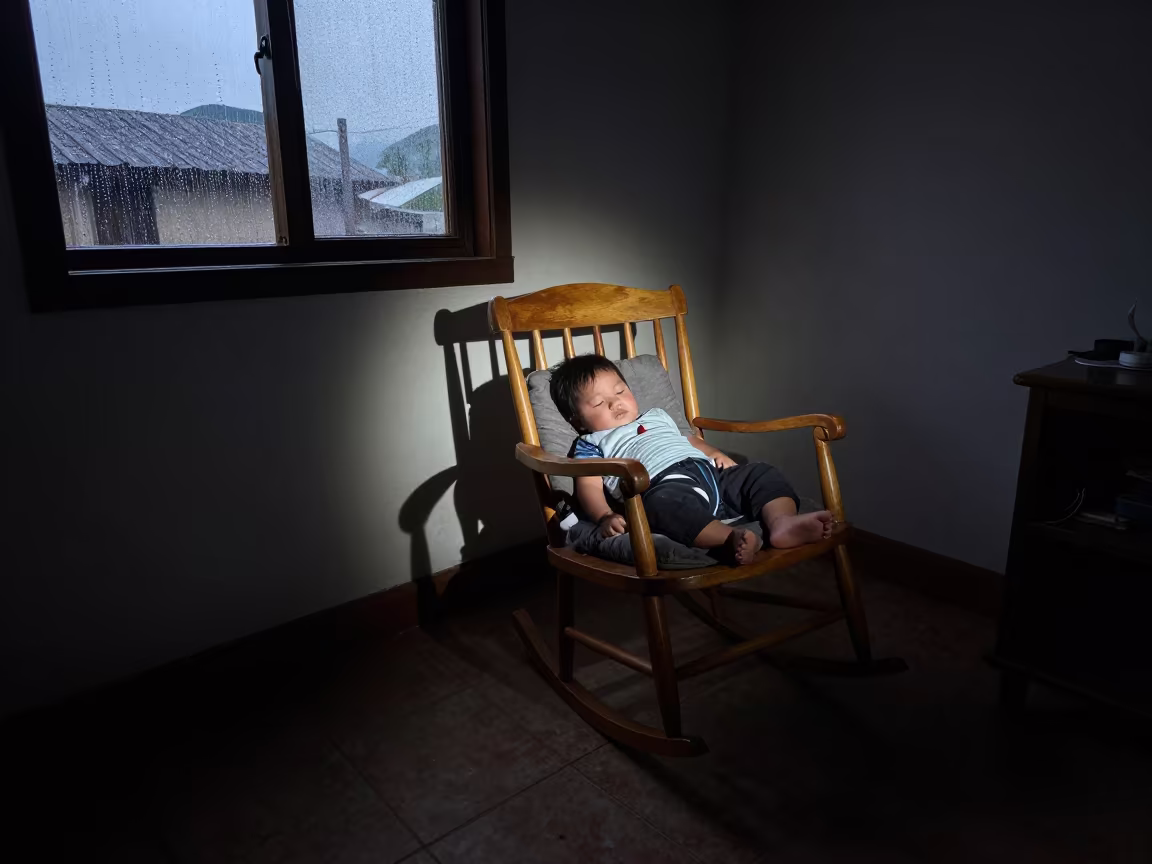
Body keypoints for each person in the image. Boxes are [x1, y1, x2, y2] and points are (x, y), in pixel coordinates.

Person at [550, 355, 834, 565]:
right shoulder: (590, 443)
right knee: (661, 508)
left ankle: (782, 523)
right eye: (598, 403)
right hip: (663, 487)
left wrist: (714, 453)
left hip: (710, 474)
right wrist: (604, 515)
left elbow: (687, 439)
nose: (615, 402)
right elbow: (588, 484)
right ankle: (729, 538)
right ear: (579, 421)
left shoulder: (657, 416)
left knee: (761, 473)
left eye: (620, 391)